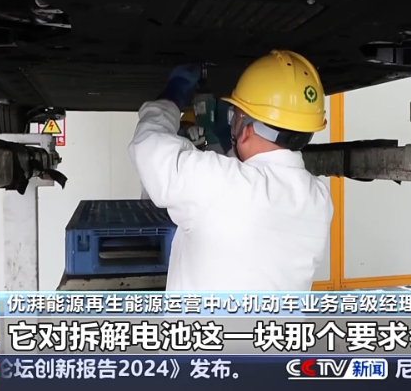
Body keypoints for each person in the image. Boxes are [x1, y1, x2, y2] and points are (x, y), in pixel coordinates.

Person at [128, 50, 333, 291]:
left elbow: (149, 144)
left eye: (234, 116)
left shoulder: (218, 185)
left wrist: (173, 95)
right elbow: (251, 186)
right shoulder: (319, 200)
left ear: (247, 129)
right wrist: (229, 141)